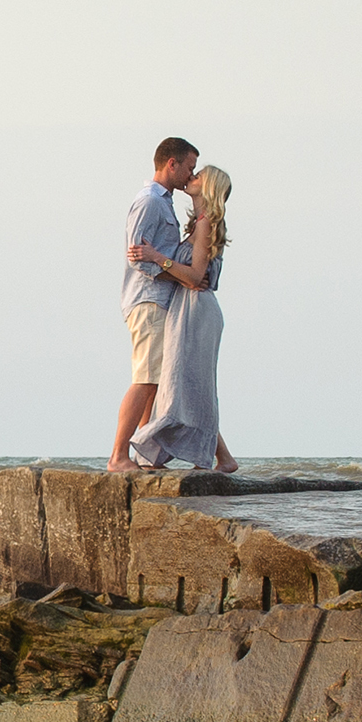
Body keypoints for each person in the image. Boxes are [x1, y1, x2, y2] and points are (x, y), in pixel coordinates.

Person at [126, 166, 236, 473]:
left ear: (209, 187)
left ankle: (220, 458)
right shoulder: (200, 223)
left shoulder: (205, 225)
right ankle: (210, 457)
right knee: (186, 384)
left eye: (198, 175)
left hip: (196, 310)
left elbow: (194, 276)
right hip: (188, 308)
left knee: (191, 385)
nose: (191, 177)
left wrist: (154, 256)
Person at [109, 137, 197, 471]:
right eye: (188, 167)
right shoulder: (150, 202)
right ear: (171, 163)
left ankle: (144, 454)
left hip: (159, 301)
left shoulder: (165, 203)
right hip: (148, 300)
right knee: (146, 379)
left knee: (156, 380)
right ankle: (118, 456)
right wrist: (177, 273)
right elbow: (138, 258)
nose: (191, 175)